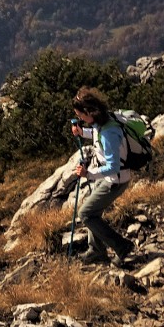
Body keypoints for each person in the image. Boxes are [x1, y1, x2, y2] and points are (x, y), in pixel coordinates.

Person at [69, 87, 134, 265]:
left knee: (86, 214)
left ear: (90, 111)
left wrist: (88, 174)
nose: (81, 119)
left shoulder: (108, 133)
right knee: (92, 210)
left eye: (81, 115)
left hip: (115, 180)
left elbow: (113, 166)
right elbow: (98, 134)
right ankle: (97, 250)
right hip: (110, 178)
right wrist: (83, 133)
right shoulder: (105, 121)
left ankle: (122, 247)